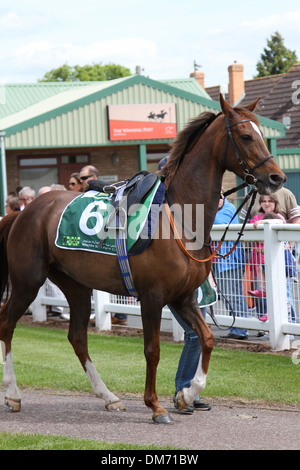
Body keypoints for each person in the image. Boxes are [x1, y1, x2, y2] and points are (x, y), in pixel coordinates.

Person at [213, 191, 249, 340]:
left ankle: (241, 330)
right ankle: (235, 328)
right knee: (227, 296)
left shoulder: (229, 209)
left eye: (219, 196)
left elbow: (211, 222)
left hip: (230, 262)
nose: (217, 199)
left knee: (233, 295)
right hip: (216, 262)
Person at [247, 194, 285, 299]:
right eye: (264, 201)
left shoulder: (279, 217)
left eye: (270, 201)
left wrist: (262, 223)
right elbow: (253, 234)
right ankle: (264, 310)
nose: (267, 204)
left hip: (274, 256)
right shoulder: (256, 217)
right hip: (258, 256)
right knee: (262, 282)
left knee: (276, 289)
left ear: (275, 203)